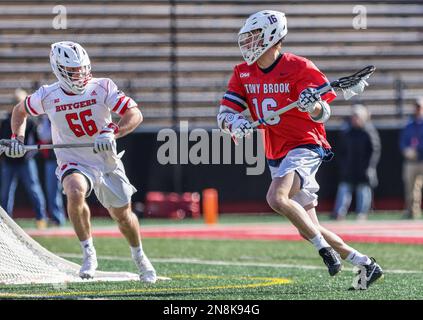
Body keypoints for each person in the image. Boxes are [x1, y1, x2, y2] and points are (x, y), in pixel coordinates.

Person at [216, 10, 383, 289]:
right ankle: (365, 264)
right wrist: (235, 123)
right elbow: (223, 114)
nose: (248, 43)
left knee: (276, 197)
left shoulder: (299, 67)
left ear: (271, 37)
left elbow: (324, 113)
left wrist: (312, 105)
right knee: (309, 226)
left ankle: (325, 252)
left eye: (254, 36)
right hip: (275, 149)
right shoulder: (243, 72)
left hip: (305, 143)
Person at [3, 41, 156, 283]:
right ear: (59, 70)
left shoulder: (102, 87)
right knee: (74, 191)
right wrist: (17, 139)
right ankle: (88, 253)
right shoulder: (48, 95)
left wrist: (112, 131)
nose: (81, 74)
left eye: (83, 68)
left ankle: (139, 255)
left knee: (123, 216)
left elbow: (135, 114)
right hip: (73, 159)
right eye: (74, 70)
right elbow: (19, 111)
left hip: (105, 160)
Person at [0, 88, 49, 230]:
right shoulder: (5, 121)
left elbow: (38, 142)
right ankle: (5, 222)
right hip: (9, 163)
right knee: (6, 192)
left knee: (34, 189)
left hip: (26, 162)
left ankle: (41, 218)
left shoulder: (32, 123)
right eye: (15, 102)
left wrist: (27, 155)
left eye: (19, 101)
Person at [332, 104, 381, 221]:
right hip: (349, 168)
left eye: (357, 116)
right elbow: (341, 151)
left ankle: (362, 213)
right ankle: (339, 213)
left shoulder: (369, 131)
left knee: (363, 190)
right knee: (344, 189)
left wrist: (370, 167)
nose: (354, 119)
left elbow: (375, 150)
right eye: (353, 116)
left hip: (364, 168)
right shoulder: (347, 132)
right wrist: (343, 165)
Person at [37, 115, 66, 226]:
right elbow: (42, 136)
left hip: (62, 159)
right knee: (52, 190)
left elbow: (46, 136)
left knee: (57, 189)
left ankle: (58, 218)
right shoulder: (45, 120)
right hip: (51, 159)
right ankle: (57, 218)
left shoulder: (56, 117)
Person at [399, 97, 423, 219]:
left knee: (417, 187)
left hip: (421, 159)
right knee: (410, 188)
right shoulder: (409, 125)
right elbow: (402, 142)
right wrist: (406, 150)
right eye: (416, 107)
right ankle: (412, 211)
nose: (418, 109)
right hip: (411, 161)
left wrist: (417, 150)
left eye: (419, 107)